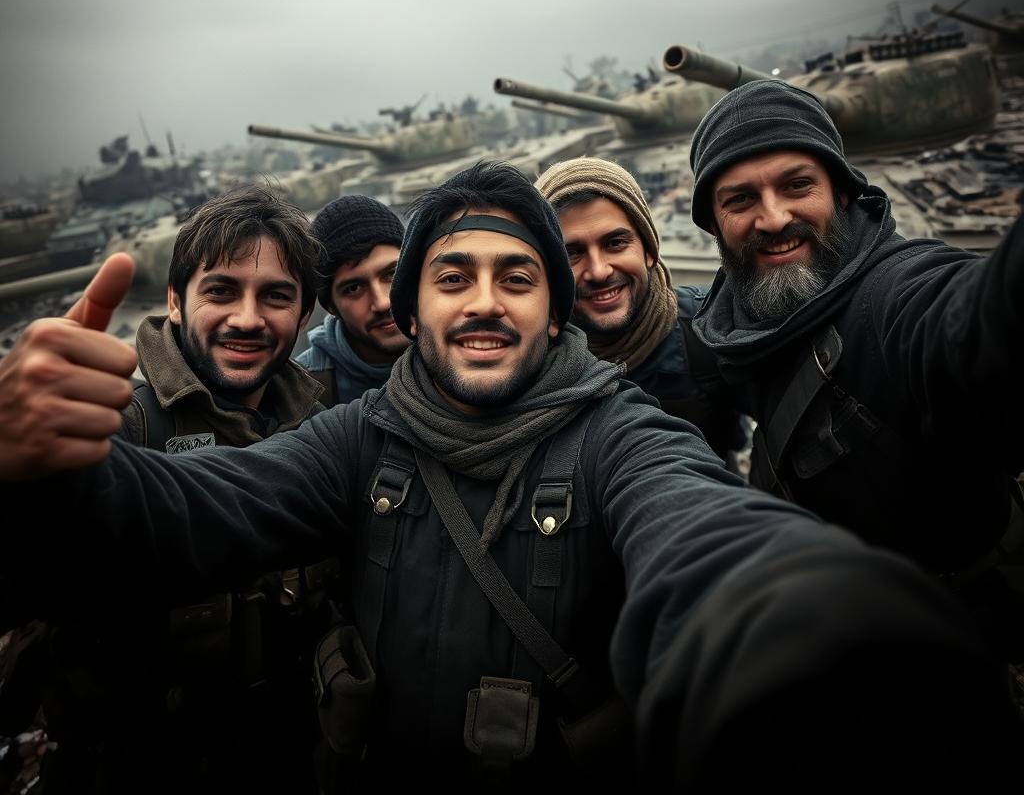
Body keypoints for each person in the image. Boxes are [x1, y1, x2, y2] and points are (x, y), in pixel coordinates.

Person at [0, 162, 1020, 788]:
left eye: (515, 275)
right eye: (452, 275)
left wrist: (805, 633)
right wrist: (50, 469)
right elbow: (194, 510)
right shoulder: (357, 436)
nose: (483, 301)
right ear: (417, 305)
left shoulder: (617, 430)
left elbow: (701, 527)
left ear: (554, 307)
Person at [685, 77, 1024, 659]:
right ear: (714, 223)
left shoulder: (891, 293)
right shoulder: (740, 320)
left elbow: (969, 321)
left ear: (842, 192)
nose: (772, 218)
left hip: (961, 638)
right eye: (739, 200)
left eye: (797, 185)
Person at [32, 184, 333, 794]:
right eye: (219, 291)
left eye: (276, 296)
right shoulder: (118, 428)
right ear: (175, 301)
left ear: (305, 317)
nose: (247, 319)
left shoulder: (326, 425)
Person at [536, 157, 742, 459]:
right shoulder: (528, 361)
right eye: (572, 253)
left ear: (648, 249)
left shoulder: (711, 331)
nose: (599, 270)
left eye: (615, 243)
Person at [296, 194, 409, 406]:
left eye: (392, 275)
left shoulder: (460, 346)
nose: (383, 303)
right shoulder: (303, 392)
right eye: (354, 288)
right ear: (331, 307)